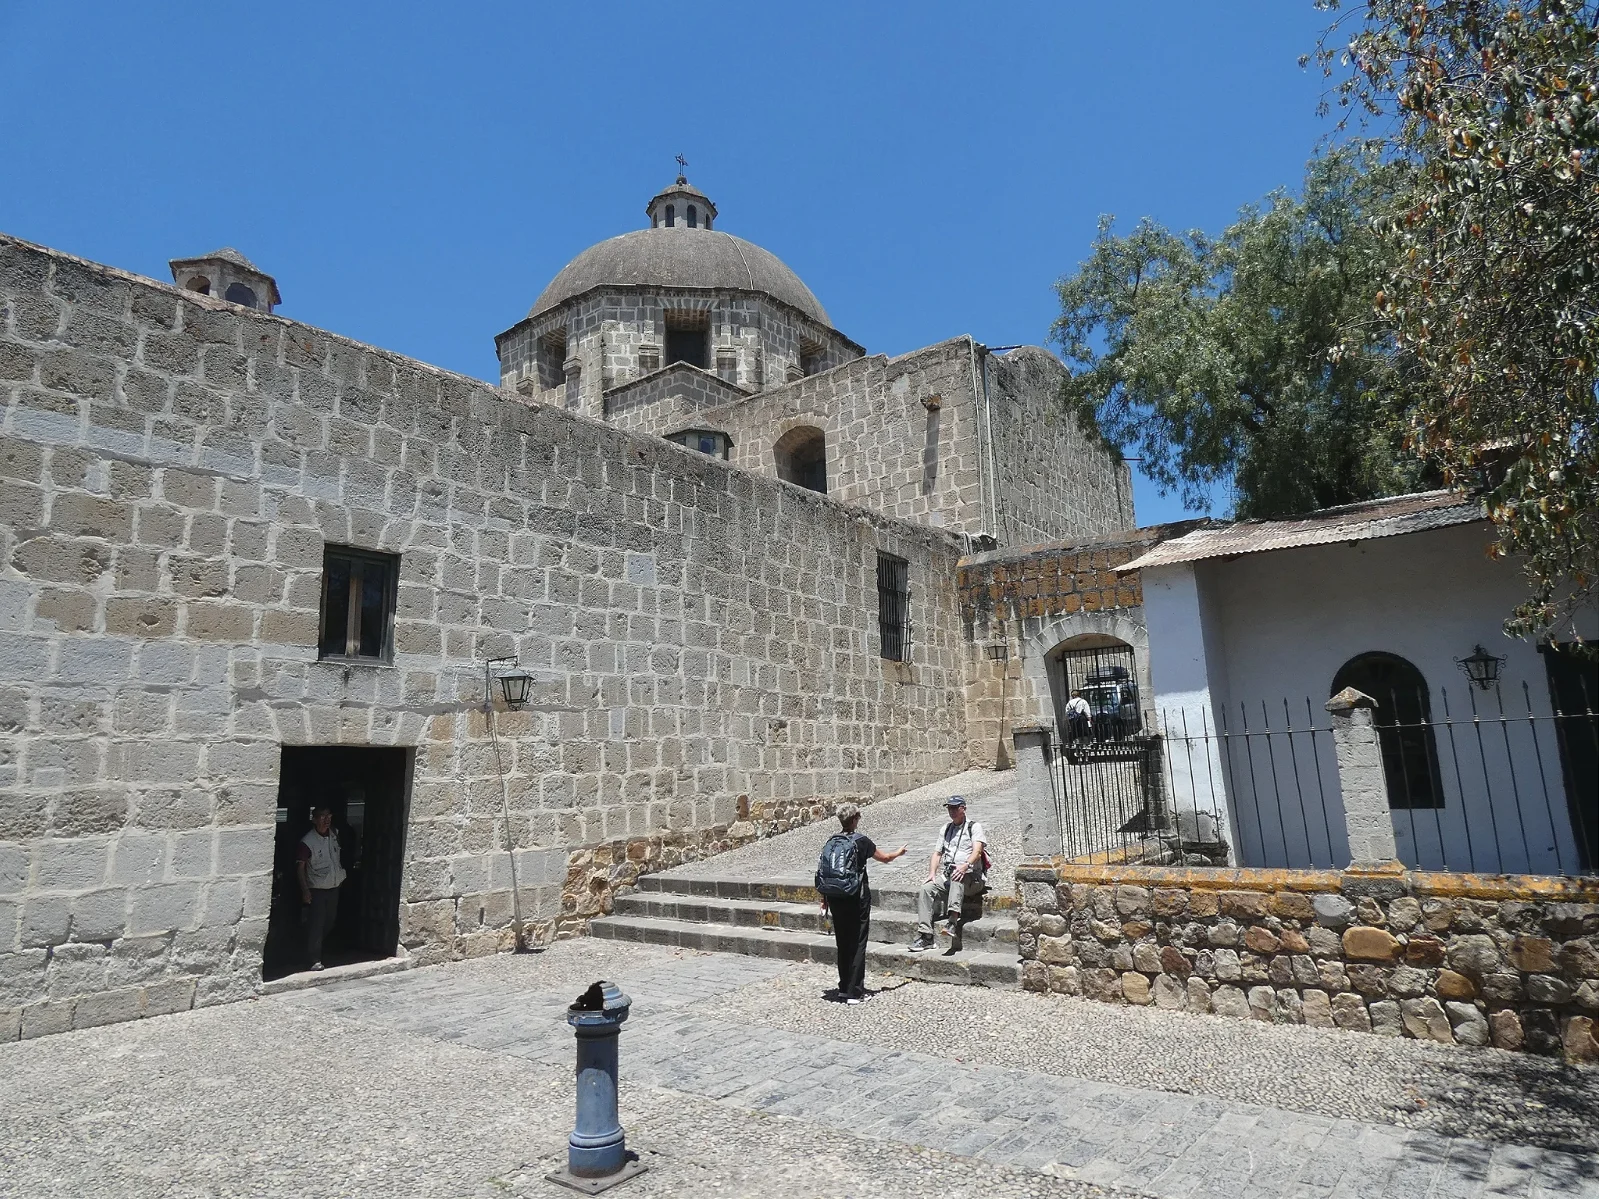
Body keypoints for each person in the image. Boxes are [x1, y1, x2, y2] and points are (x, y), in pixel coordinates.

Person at [816, 803, 906, 1003]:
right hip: (856, 897)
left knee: (842, 942)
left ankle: (843, 987)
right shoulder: (860, 841)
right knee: (857, 942)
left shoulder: (832, 841)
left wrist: (823, 899)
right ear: (854, 819)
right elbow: (884, 858)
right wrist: (898, 853)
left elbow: (824, 871)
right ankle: (855, 992)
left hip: (835, 898)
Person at [909, 795, 987, 953]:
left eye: (955, 808)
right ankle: (926, 936)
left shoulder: (974, 827)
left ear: (963, 808)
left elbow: (977, 851)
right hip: (950, 876)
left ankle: (952, 921)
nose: (951, 811)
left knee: (957, 875)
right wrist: (932, 873)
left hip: (972, 878)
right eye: (949, 808)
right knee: (927, 889)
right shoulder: (945, 829)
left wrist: (966, 865)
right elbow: (937, 854)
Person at [297, 806, 346, 971]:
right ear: (314, 819)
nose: (327, 821)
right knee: (317, 923)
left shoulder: (334, 835)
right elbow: (300, 867)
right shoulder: (307, 842)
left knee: (330, 921)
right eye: (323, 817)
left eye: (329, 817)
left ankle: (311, 946)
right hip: (317, 889)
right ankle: (313, 958)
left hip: (333, 886)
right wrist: (305, 891)